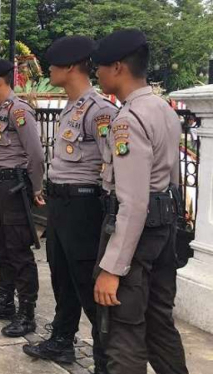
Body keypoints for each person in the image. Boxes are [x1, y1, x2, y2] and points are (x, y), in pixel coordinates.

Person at [92, 29, 188, 374]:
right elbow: (171, 180)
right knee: (160, 324)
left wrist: (111, 269)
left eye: (100, 67)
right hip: (162, 230)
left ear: (117, 67)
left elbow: (132, 203)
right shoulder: (163, 109)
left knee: (124, 331)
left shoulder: (128, 120)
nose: (97, 74)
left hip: (136, 238)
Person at [21, 36, 117, 372]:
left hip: (83, 207)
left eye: (54, 64)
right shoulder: (71, 107)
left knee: (87, 283)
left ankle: (107, 360)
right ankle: (62, 340)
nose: (48, 69)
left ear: (71, 67)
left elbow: (115, 166)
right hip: (60, 205)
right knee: (62, 277)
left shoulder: (100, 111)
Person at [0, 59, 45, 338]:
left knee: (18, 251)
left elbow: (36, 155)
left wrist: (36, 188)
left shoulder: (19, 111)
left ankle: (26, 314)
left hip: (12, 188)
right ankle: (5, 301)